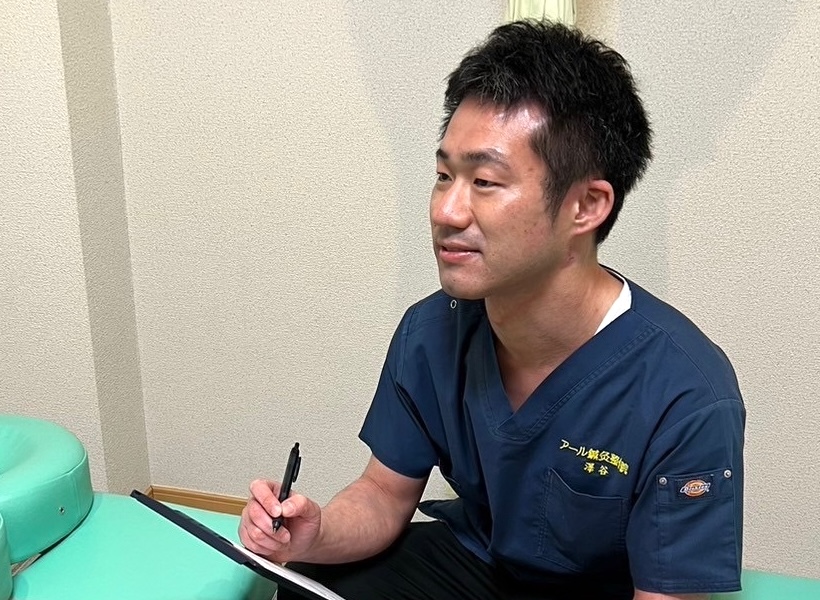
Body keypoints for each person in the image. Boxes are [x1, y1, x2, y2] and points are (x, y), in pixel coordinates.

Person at [239, 20, 745, 600]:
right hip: (479, 567)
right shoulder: (434, 331)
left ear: (586, 205)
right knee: (306, 586)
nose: (447, 211)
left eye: (484, 181)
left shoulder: (686, 394)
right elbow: (383, 494)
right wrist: (316, 534)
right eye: (443, 176)